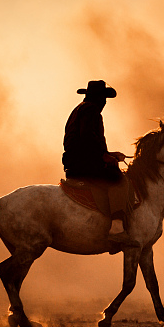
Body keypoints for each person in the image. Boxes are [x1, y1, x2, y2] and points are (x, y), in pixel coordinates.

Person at [63, 80, 135, 248]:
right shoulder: (92, 110)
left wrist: (109, 154)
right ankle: (117, 229)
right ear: (98, 98)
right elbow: (88, 138)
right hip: (83, 163)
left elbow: (87, 140)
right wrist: (104, 157)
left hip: (77, 161)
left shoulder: (80, 109)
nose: (105, 102)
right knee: (119, 180)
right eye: (104, 98)